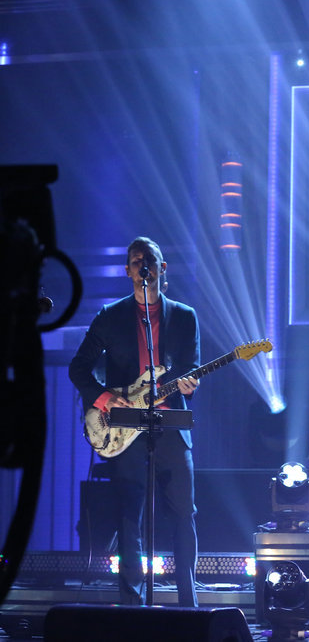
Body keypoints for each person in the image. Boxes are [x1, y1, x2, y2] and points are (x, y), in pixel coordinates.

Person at [69, 237, 201, 606]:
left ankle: (189, 603)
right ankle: (132, 604)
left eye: (150, 259)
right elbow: (79, 368)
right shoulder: (110, 316)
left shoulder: (185, 317)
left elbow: (190, 369)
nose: (143, 264)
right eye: (136, 260)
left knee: (184, 513)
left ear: (162, 268)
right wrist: (105, 398)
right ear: (128, 271)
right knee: (130, 514)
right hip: (124, 425)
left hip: (170, 424)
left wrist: (190, 384)